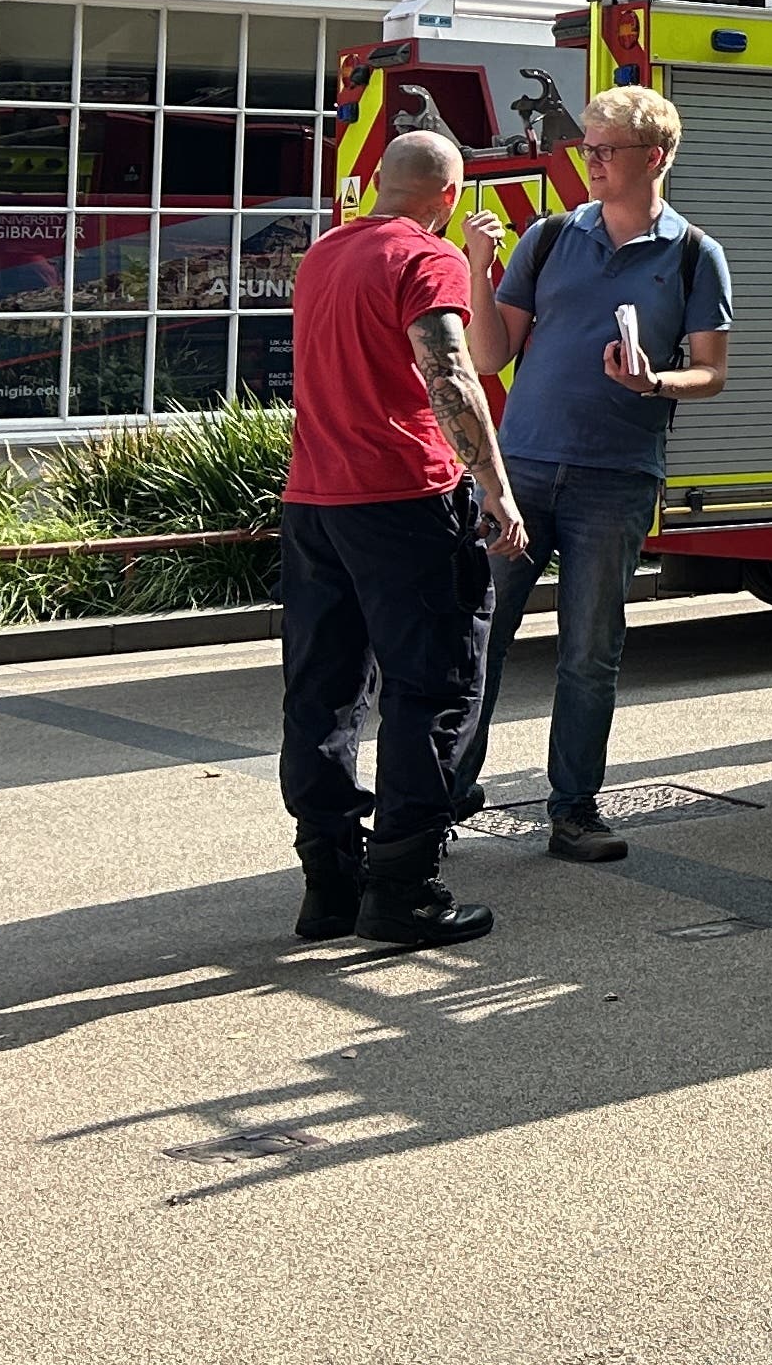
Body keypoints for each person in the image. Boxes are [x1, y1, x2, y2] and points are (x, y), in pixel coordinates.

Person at [452, 85, 734, 867]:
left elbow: (711, 373)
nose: (592, 160)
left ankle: (574, 809)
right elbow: (486, 355)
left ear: (657, 157)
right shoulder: (548, 239)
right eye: (588, 147)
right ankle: (447, 793)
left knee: (589, 651)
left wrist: (656, 383)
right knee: (480, 635)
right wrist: (480, 266)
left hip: (616, 476)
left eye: (607, 149)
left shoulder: (691, 254)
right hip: (526, 466)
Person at [277, 127, 528, 950]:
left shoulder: (324, 254)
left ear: (381, 180)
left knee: (325, 695)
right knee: (435, 689)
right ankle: (405, 892)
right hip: (405, 500)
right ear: (449, 197)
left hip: (315, 502)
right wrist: (494, 486)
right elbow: (451, 374)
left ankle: (329, 887)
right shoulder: (428, 258)